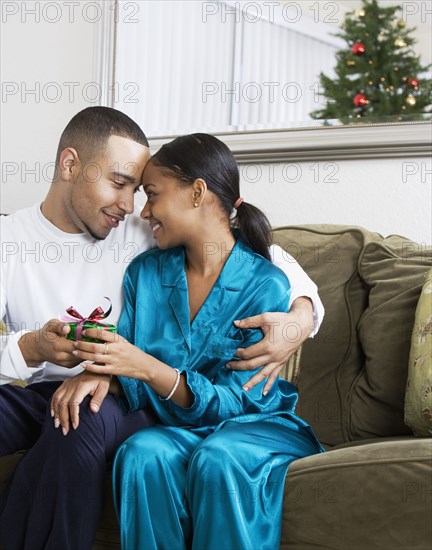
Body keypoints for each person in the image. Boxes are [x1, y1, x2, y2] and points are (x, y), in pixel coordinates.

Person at [0, 108, 323, 549]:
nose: (131, 205)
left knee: (78, 425)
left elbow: (256, 257)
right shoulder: (9, 240)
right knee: (60, 417)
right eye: (119, 182)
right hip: (42, 392)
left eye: (139, 189)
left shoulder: (142, 229)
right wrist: (31, 346)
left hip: (122, 399)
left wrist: (301, 318)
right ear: (70, 165)